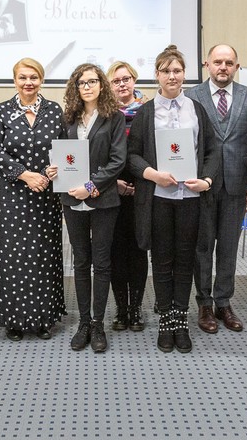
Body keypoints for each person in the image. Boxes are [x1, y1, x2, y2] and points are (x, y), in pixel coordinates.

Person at [128, 44, 220, 354]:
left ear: (184, 75)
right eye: (166, 71)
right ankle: (166, 318)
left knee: (185, 260)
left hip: (190, 197)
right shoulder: (145, 112)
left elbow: (212, 151)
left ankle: (181, 318)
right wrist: (152, 174)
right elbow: (132, 155)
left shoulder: (196, 109)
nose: (172, 76)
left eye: (177, 71)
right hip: (157, 197)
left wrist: (206, 180)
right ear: (156, 75)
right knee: (162, 260)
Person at [47, 64, 126, 352]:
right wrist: (53, 169)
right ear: (76, 87)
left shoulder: (113, 117)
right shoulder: (67, 118)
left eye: (93, 81)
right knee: (81, 262)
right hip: (70, 198)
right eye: (82, 82)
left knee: (101, 264)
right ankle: (83, 323)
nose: (88, 86)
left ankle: (98, 324)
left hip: (103, 200)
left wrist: (91, 187)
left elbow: (118, 160)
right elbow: (59, 155)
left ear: (102, 85)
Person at [0, 58, 65, 341]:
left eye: (34, 77)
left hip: (45, 193)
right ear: (14, 80)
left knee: (43, 255)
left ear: (41, 80)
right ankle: (13, 319)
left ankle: (44, 318)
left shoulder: (55, 111)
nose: (28, 82)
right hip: (10, 194)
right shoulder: (2, 111)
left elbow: (65, 150)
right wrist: (24, 174)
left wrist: (50, 172)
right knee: (11, 257)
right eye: (22, 77)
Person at [185, 44, 247, 334]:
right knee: (202, 247)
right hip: (201, 184)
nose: (223, 67)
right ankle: (204, 303)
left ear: (237, 66)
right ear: (206, 64)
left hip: (237, 185)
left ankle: (223, 302)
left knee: (228, 248)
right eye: (218, 62)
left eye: (229, 62)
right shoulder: (191, 95)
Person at [106, 61, 149, 331]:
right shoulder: (105, 114)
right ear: (109, 86)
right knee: (115, 251)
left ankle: (136, 309)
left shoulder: (149, 110)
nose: (122, 84)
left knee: (138, 250)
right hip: (112, 189)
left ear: (134, 80)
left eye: (126, 79)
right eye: (116, 80)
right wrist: (115, 182)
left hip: (143, 188)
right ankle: (121, 309)